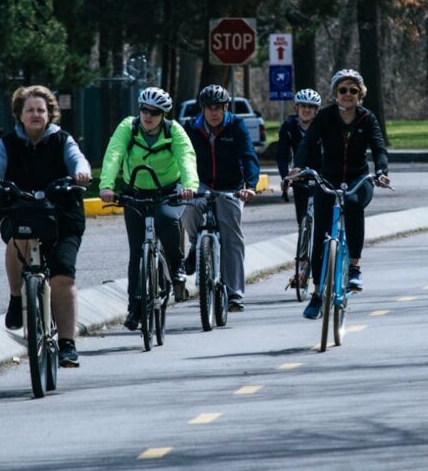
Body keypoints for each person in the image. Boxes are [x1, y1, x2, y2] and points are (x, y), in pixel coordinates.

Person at [0, 85, 91, 367]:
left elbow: (78, 159)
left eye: (41, 110)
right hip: (21, 211)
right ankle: (17, 298)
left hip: (62, 216)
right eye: (30, 110)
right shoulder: (8, 142)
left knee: (62, 277)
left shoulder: (62, 140)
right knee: (19, 238)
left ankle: (67, 344)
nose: (36, 115)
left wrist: (82, 172)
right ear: (20, 114)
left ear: (50, 113)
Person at [290, 69, 390, 320]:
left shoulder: (367, 119)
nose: (347, 95)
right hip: (328, 179)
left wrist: (381, 171)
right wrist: (298, 167)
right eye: (343, 90)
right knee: (321, 233)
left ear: (360, 94)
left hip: (358, 179)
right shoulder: (324, 117)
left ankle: (354, 268)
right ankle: (316, 294)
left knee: (354, 205)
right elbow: (308, 143)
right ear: (335, 93)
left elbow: (379, 147)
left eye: (353, 90)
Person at [99, 87, 198, 331]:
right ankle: (134, 308)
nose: (148, 116)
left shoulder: (174, 131)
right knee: (136, 252)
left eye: (154, 112)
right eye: (144, 110)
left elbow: (186, 157)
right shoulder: (128, 128)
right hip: (135, 193)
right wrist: (106, 185)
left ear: (163, 114)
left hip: (168, 191)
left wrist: (190, 185)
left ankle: (177, 266)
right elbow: (114, 154)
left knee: (166, 219)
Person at [181, 84, 260, 313]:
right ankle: (197, 243)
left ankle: (234, 293)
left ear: (226, 108)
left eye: (219, 107)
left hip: (230, 186)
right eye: (210, 108)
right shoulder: (191, 127)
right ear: (202, 109)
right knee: (189, 207)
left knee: (231, 235)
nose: (214, 112)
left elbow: (248, 156)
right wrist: (185, 185)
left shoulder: (236, 125)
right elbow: (183, 157)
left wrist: (250, 186)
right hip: (200, 182)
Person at [277, 88, 322, 223]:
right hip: (298, 174)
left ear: (316, 110)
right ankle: (304, 239)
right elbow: (282, 155)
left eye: (311, 107)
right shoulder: (288, 126)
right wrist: (285, 176)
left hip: (321, 172)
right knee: (302, 220)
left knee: (322, 218)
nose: (306, 110)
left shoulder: (322, 126)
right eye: (303, 105)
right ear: (296, 107)